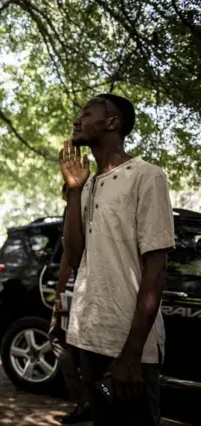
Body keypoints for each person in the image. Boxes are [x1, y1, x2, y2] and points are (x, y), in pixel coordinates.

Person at [60, 94, 174, 426]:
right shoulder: (89, 183)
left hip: (129, 346)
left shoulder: (147, 176)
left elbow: (156, 268)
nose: (77, 121)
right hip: (89, 337)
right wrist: (74, 191)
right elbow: (77, 253)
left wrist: (132, 353)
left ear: (112, 123)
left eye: (87, 113)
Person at [49, 183, 91, 424]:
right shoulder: (88, 211)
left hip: (76, 291)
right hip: (82, 290)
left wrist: (59, 292)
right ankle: (88, 401)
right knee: (73, 347)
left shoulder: (75, 213)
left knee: (61, 342)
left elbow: (68, 257)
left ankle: (87, 401)